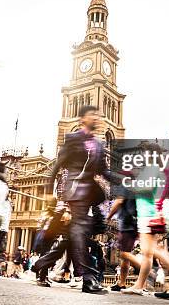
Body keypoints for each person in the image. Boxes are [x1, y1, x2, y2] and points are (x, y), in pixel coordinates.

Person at [48, 105, 115, 294]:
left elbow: (104, 171)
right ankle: (87, 277)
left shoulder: (99, 145)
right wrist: (48, 192)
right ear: (83, 118)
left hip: (89, 195)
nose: (97, 118)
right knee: (78, 232)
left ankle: (44, 264)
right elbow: (57, 166)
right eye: (93, 115)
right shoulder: (72, 138)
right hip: (74, 191)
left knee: (78, 234)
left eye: (98, 115)